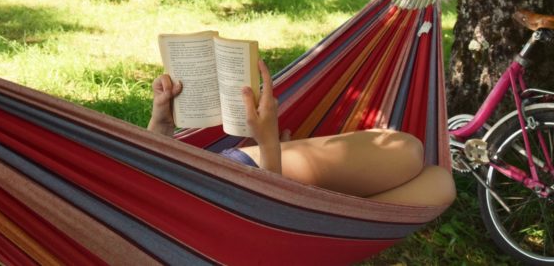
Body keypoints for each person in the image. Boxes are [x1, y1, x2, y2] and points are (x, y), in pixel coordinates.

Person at [149, 60, 456, 206]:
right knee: (416, 159)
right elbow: (266, 218)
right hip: (244, 187)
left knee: (438, 179)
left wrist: (161, 124)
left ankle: (318, 213)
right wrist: (269, 144)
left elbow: (146, 183)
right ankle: (317, 215)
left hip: (208, 184)